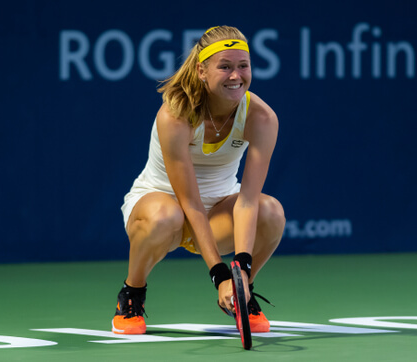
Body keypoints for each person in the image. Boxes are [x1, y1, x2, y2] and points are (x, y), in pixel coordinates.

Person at [112, 25, 286, 335]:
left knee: (271, 212)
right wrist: (218, 275)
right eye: (225, 67)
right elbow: (189, 202)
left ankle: (242, 294)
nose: (236, 76)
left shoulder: (262, 118)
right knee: (168, 215)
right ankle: (132, 293)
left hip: (219, 213)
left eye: (243, 66)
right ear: (201, 71)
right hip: (161, 212)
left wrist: (239, 270)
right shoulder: (175, 116)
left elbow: (247, 201)